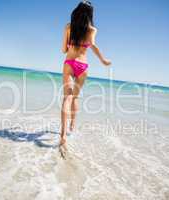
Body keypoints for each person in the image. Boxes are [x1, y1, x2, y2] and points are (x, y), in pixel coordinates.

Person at [60, 1, 111, 149]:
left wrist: (71, 45)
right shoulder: (92, 30)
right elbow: (93, 45)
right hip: (83, 66)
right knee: (75, 97)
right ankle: (72, 128)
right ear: (90, 14)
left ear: (76, 12)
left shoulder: (68, 27)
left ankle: (62, 135)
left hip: (69, 64)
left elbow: (63, 50)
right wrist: (103, 60)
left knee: (67, 98)